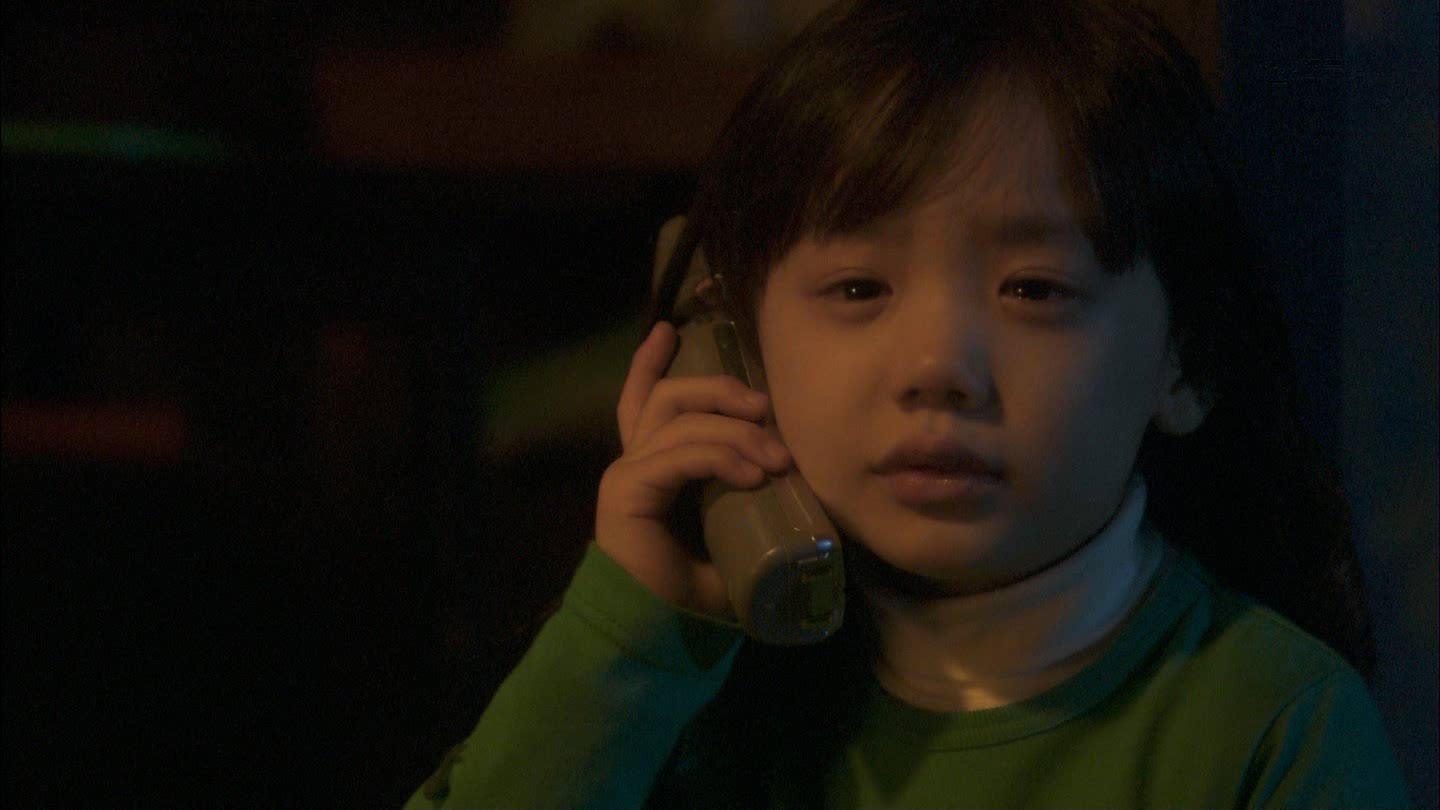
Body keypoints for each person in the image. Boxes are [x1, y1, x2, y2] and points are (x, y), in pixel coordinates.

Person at [405, 1, 1410, 807]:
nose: (937, 367)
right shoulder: (686, 697)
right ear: (740, 350)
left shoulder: (1275, 724)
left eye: (1034, 290)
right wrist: (634, 629)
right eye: (858, 288)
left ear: (1182, 365)